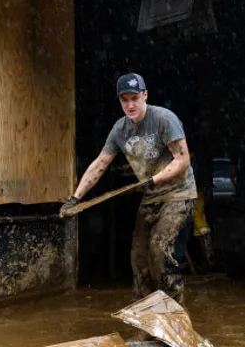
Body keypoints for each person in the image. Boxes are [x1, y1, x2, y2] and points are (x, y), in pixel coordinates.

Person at [62, 73, 197, 302]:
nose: (130, 105)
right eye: (124, 100)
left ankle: (174, 317)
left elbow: (183, 160)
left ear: (145, 95)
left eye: (134, 98)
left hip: (178, 194)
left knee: (159, 250)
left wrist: (154, 180)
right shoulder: (120, 129)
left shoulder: (164, 119)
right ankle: (146, 321)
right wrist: (75, 198)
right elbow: (100, 164)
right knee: (139, 258)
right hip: (151, 197)